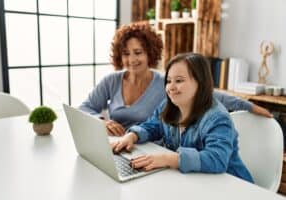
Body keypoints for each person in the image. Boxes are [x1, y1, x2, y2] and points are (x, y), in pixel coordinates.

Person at [79, 22, 272, 136]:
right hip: (118, 146)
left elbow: (207, 93)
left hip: (151, 148)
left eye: (138, 52)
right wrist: (101, 122)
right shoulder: (111, 81)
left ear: (150, 54)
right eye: (126, 53)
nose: (131, 59)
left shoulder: (166, 83)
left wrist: (251, 106)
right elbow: (84, 109)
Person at [112, 53, 254, 183]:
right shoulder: (169, 105)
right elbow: (153, 125)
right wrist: (132, 136)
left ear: (200, 83)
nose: (171, 87)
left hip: (231, 185)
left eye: (179, 81)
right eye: (168, 81)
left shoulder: (218, 118)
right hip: (194, 183)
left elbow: (217, 159)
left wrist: (170, 159)